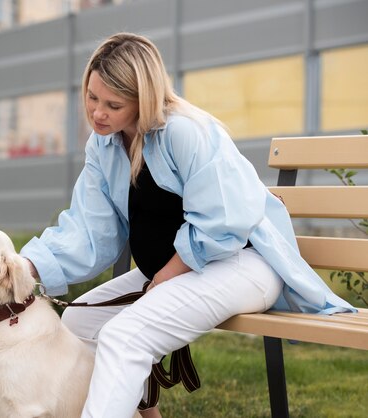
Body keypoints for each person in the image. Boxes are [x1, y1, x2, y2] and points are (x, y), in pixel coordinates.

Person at [19, 32, 356, 418]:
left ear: (142, 100)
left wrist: (167, 276)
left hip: (242, 264)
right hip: (177, 271)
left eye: (113, 104)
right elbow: (90, 229)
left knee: (125, 335)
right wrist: (22, 268)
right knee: (80, 319)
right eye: (92, 98)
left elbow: (224, 223)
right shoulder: (104, 145)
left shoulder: (186, 131)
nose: (97, 113)